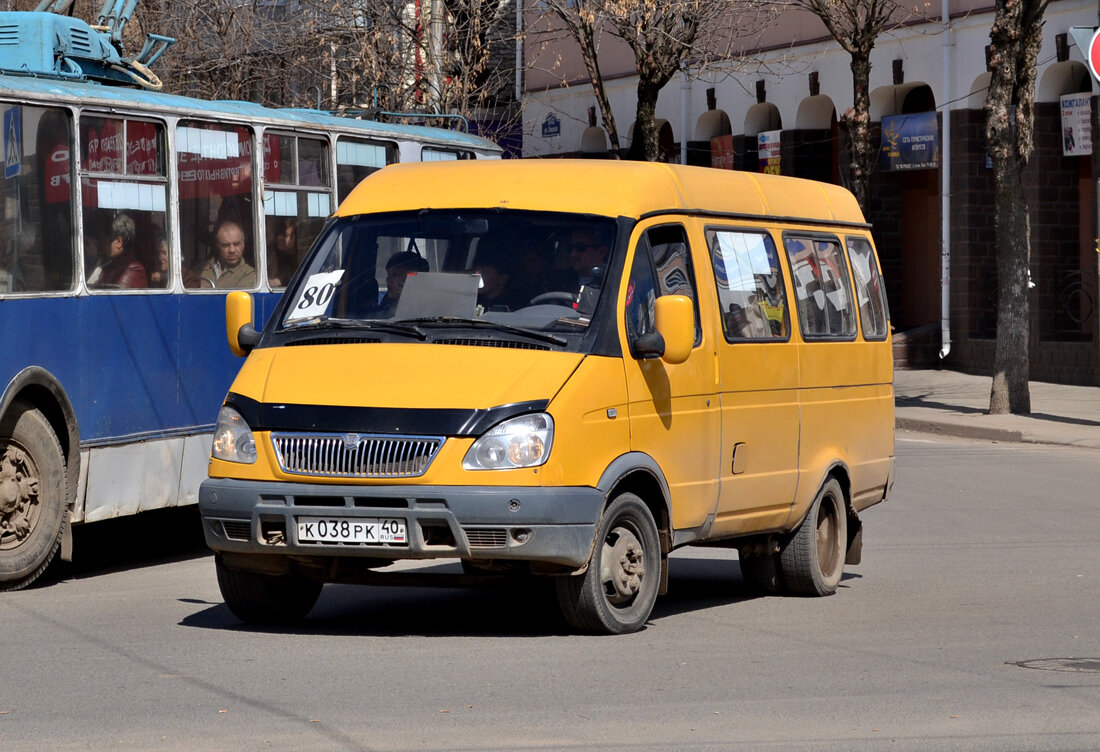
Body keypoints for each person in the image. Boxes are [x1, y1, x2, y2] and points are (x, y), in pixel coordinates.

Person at [87, 213, 147, 289]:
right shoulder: (109, 267)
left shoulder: (134, 270)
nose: (98, 245)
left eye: (102, 240)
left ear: (118, 242)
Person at [199, 219, 255, 289]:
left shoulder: (249, 274)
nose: (232, 250)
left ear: (243, 245)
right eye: (226, 245)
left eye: (236, 244)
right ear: (217, 246)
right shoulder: (202, 268)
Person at [377, 251, 428, 316]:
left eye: (395, 274)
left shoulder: (427, 303)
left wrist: (406, 299)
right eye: (388, 274)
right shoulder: (387, 301)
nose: (388, 279)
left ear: (413, 278)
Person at [567, 227, 611, 292]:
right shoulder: (559, 281)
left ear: (601, 252)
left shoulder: (611, 286)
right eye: (570, 247)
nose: (573, 254)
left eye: (580, 248)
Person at [267, 217, 298, 288]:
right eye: (278, 234)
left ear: (296, 238)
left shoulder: (304, 258)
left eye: (285, 235)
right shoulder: (272, 256)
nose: (279, 238)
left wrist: (282, 281)